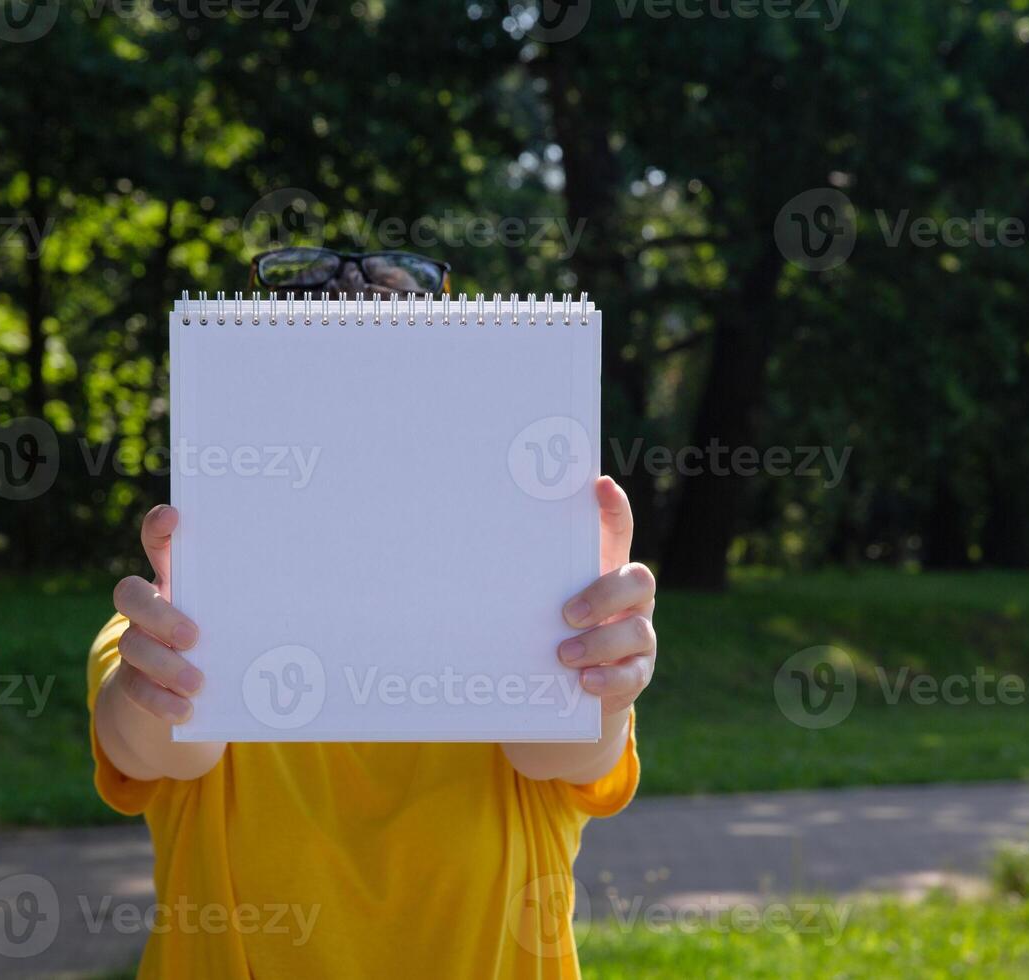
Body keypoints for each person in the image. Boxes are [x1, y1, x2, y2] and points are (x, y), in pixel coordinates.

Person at [86, 251, 659, 978]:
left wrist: (601, 678)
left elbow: (564, 749)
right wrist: (170, 672)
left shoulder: (532, 626)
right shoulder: (156, 632)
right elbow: (155, 744)